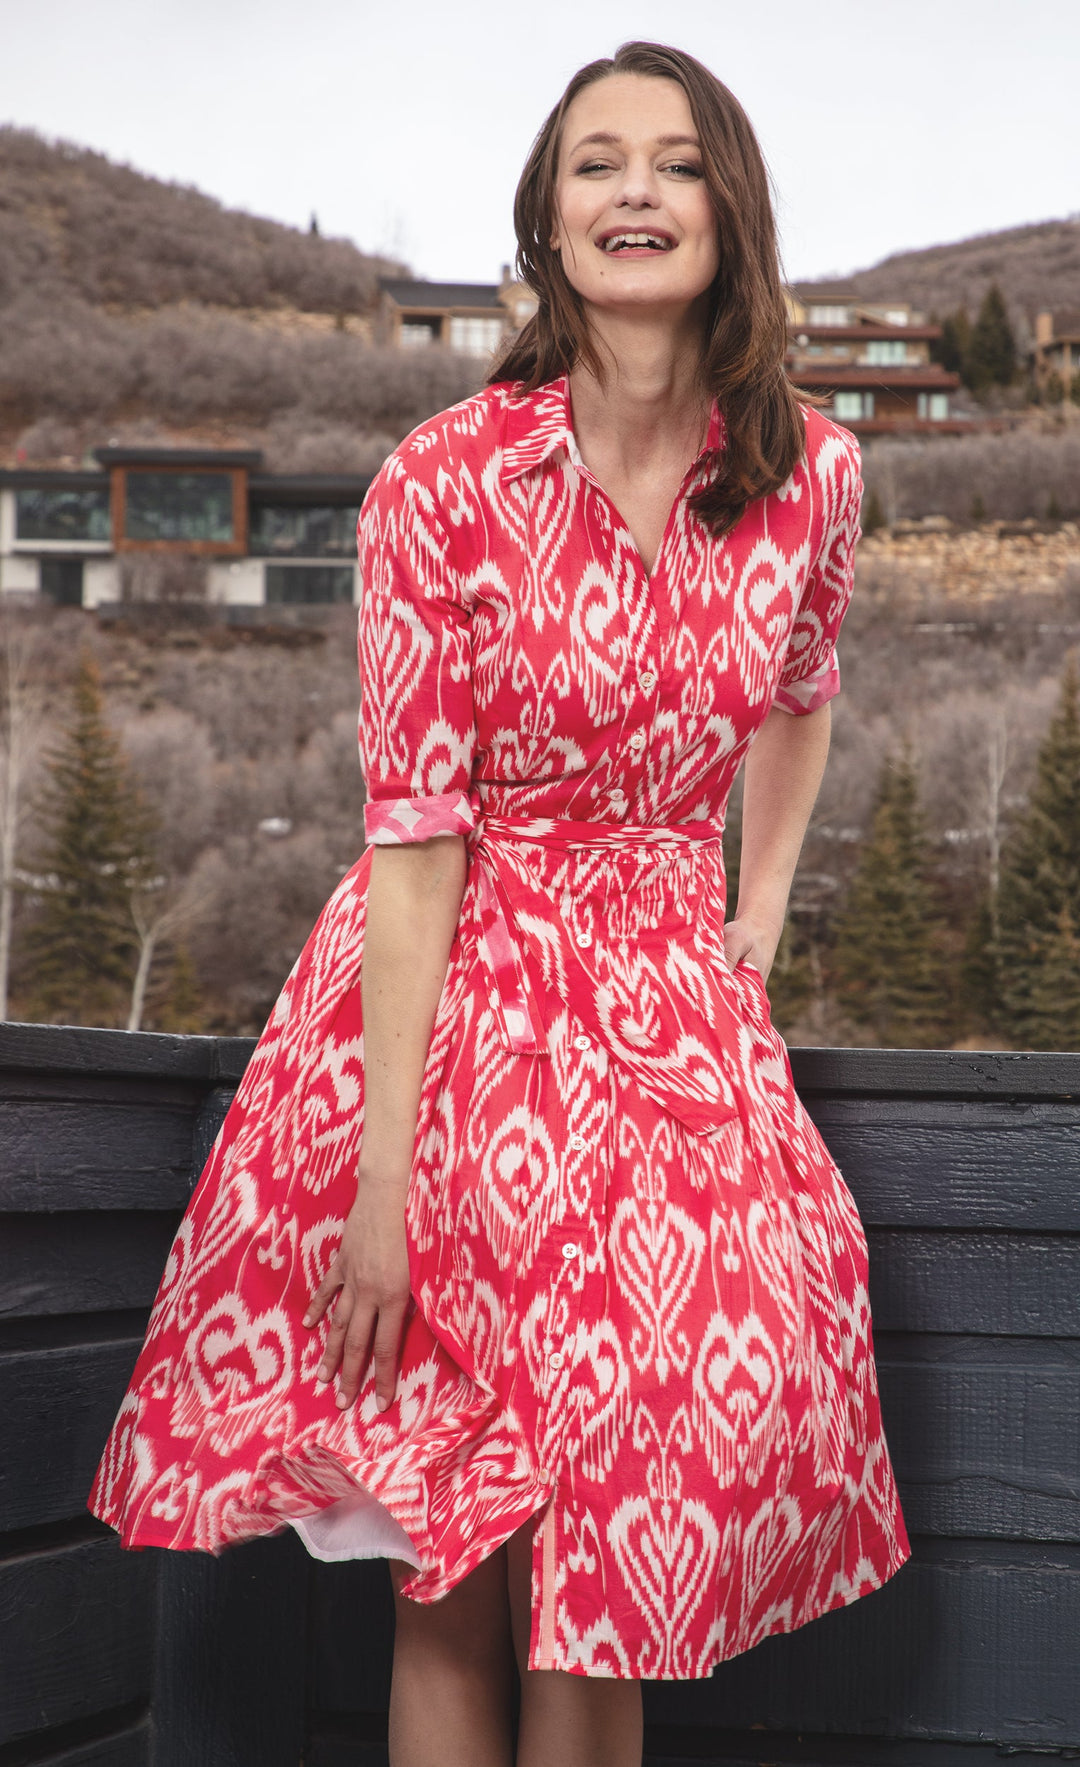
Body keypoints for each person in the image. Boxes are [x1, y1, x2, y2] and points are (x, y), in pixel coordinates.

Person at [89, 39, 911, 1767]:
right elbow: (412, 843)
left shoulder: (811, 479)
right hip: (450, 1031)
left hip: (669, 1040)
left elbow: (808, 686)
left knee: (613, 1567)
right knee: (447, 1575)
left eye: (675, 162)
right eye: (596, 162)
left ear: (729, 207)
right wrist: (379, 1192)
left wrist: (756, 911)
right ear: (548, 216)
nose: (634, 191)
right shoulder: (444, 480)